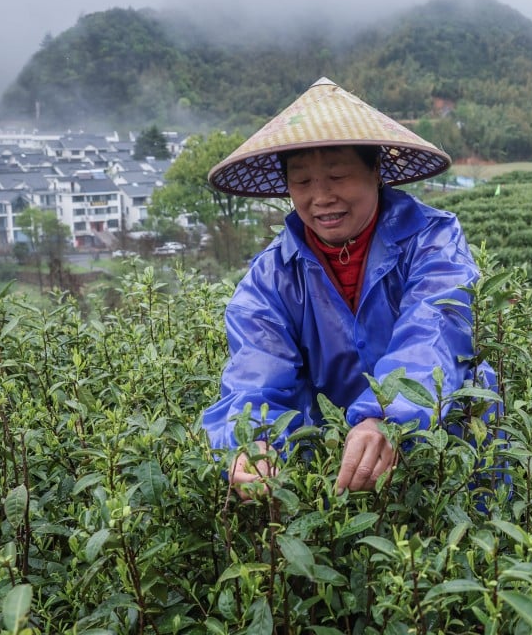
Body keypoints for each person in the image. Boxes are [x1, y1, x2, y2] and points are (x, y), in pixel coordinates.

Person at [200, 77, 495, 498]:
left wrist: (386, 413)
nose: (321, 197)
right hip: (339, 467)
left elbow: (433, 332)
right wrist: (253, 442)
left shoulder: (433, 241)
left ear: (376, 172)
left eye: (337, 176)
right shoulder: (272, 277)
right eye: (302, 182)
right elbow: (255, 371)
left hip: (448, 452)